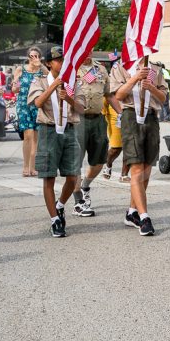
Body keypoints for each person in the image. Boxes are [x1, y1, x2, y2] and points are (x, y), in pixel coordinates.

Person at [110, 54, 169, 236]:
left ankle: (132, 212)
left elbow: (163, 98)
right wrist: (135, 77)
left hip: (151, 117)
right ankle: (144, 217)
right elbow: (119, 95)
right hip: (131, 116)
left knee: (146, 169)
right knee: (136, 168)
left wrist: (150, 87)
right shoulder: (121, 67)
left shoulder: (155, 68)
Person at [28, 47, 84, 238]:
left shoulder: (73, 81)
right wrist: (53, 86)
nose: (62, 63)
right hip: (48, 130)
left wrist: (67, 98)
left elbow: (81, 108)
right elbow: (37, 103)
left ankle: (60, 205)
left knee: (73, 176)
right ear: (49, 63)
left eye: (63, 60)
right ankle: (55, 220)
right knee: (49, 177)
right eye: (58, 60)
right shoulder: (40, 81)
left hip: (69, 129)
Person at [70, 56, 112, 218]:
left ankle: (85, 186)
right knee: (75, 161)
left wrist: (121, 114)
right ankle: (78, 201)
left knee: (100, 160)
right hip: (77, 118)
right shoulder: (71, 68)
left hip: (97, 118)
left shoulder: (100, 68)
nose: (88, 51)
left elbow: (108, 94)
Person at [12, 47, 45, 177]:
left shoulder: (42, 70)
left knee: (36, 137)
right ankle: (25, 167)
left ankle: (33, 167)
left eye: (36, 56)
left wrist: (40, 65)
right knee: (28, 135)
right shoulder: (21, 69)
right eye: (31, 56)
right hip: (23, 105)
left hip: (37, 104)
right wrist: (16, 84)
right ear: (28, 57)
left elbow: (52, 79)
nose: (34, 58)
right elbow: (14, 89)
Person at [100, 94, 128, 182]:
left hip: (131, 115)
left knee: (129, 147)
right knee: (116, 148)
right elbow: (105, 98)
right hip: (115, 117)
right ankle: (108, 164)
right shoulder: (110, 86)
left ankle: (124, 175)